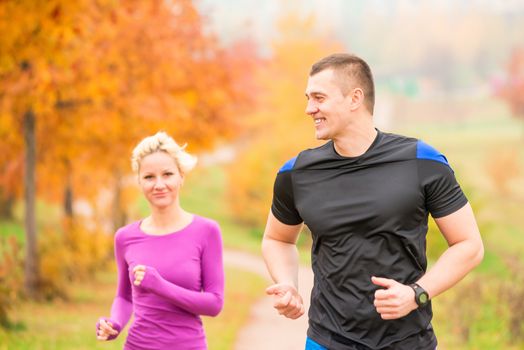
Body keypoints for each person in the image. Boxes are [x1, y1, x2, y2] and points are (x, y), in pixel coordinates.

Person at [262, 53, 484, 350]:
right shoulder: (296, 173)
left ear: (355, 98)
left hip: (407, 341)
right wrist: (288, 283)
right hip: (328, 339)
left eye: (318, 98)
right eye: (308, 98)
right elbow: (277, 239)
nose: (308, 109)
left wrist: (416, 293)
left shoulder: (421, 161)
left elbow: (469, 245)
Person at [96, 131, 224, 350]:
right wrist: (114, 323)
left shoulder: (206, 231)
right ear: (139, 181)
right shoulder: (125, 237)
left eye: (167, 174)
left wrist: (160, 285)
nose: (159, 184)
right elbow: (124, 297)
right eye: (149, 177)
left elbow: (214, 304)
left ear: (181, 176)